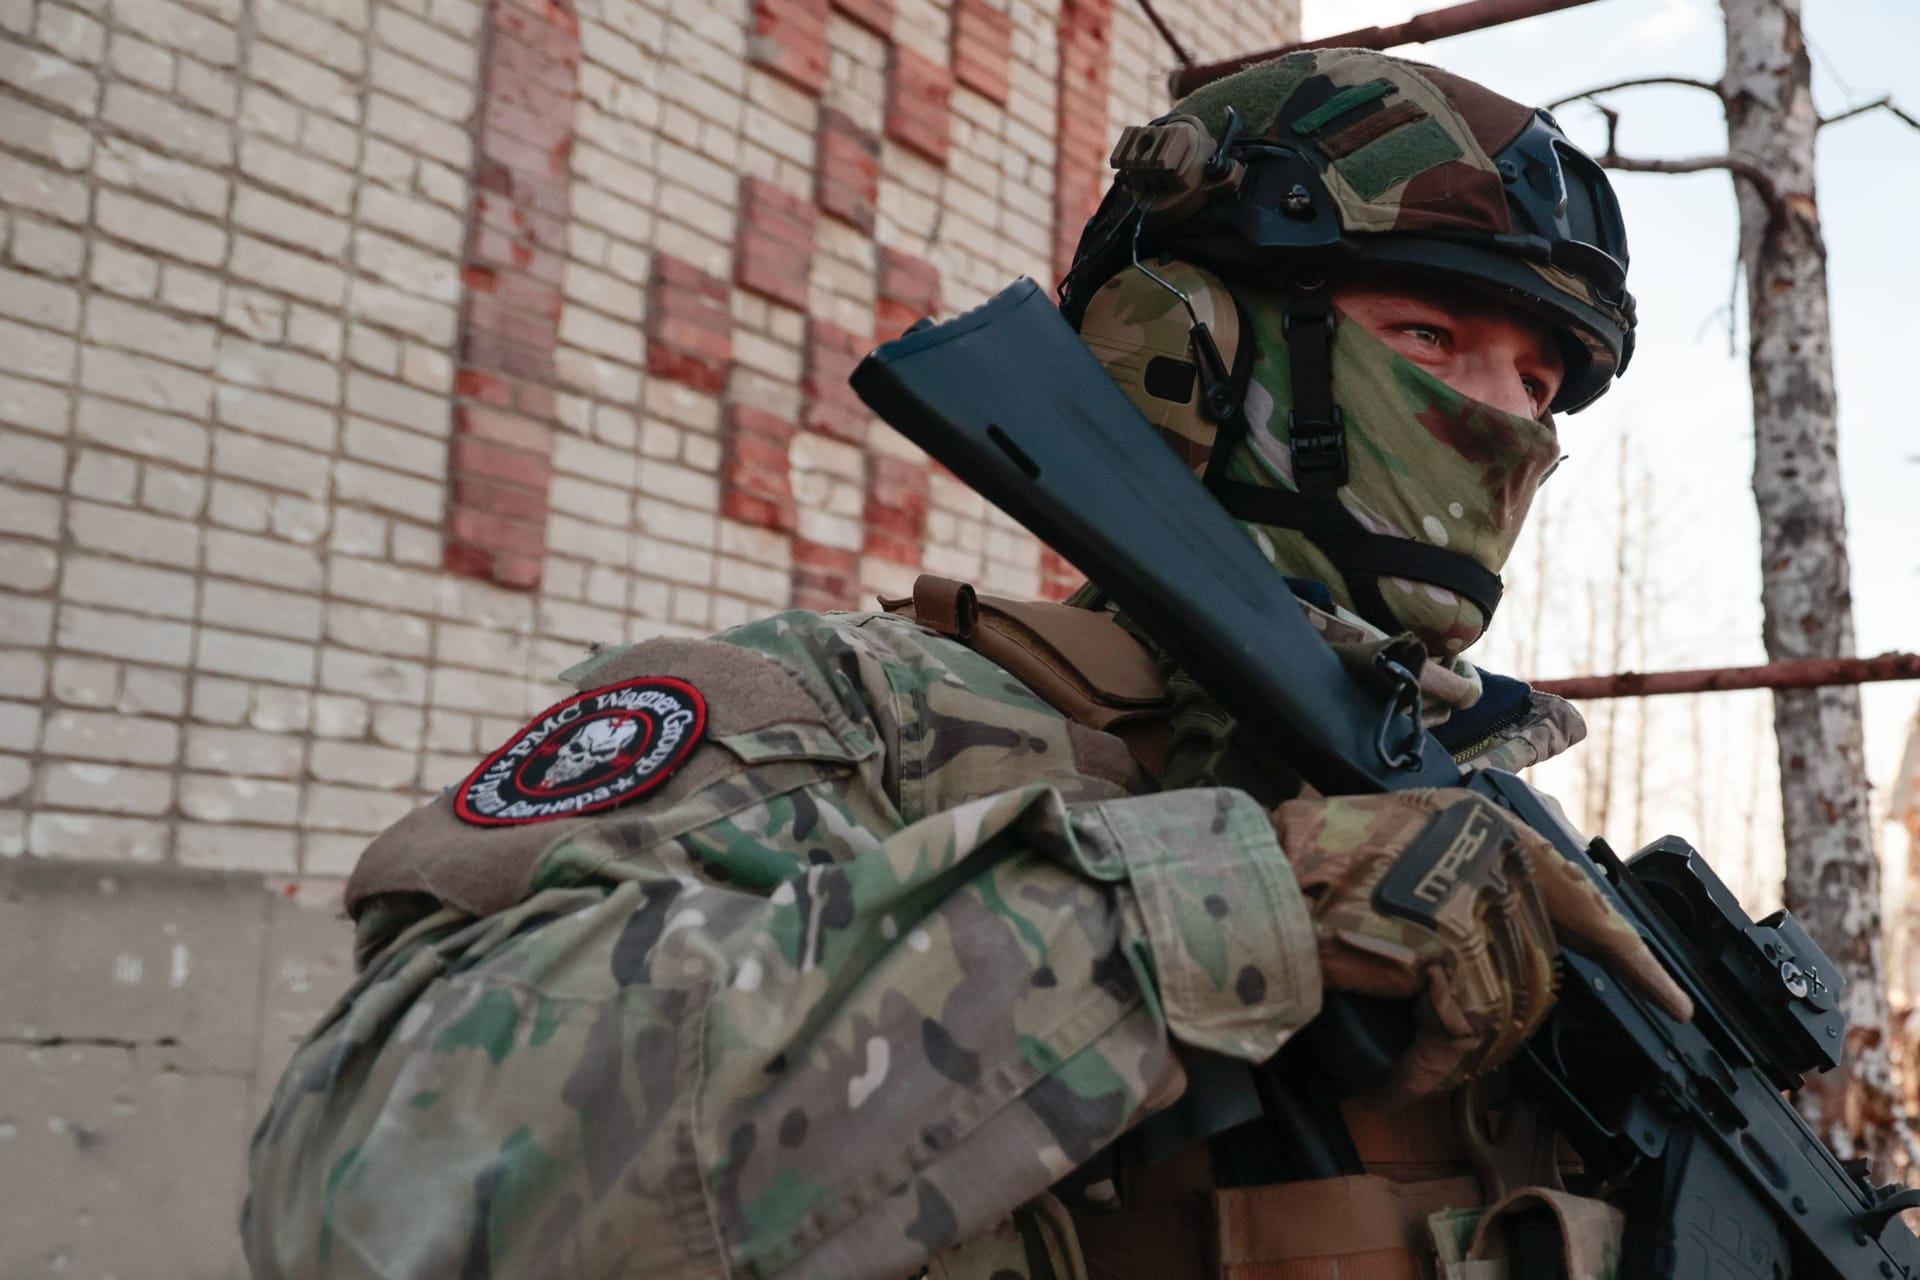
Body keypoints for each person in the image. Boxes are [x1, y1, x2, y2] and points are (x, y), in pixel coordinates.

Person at [244, 49, 1690, 1280]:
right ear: (1177, 350)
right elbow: (375, 1185)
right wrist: (1237, 903)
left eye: (1542, 383)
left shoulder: (1502, 854)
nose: (1507, 423)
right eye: (1429, 337)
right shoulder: (844, 724)